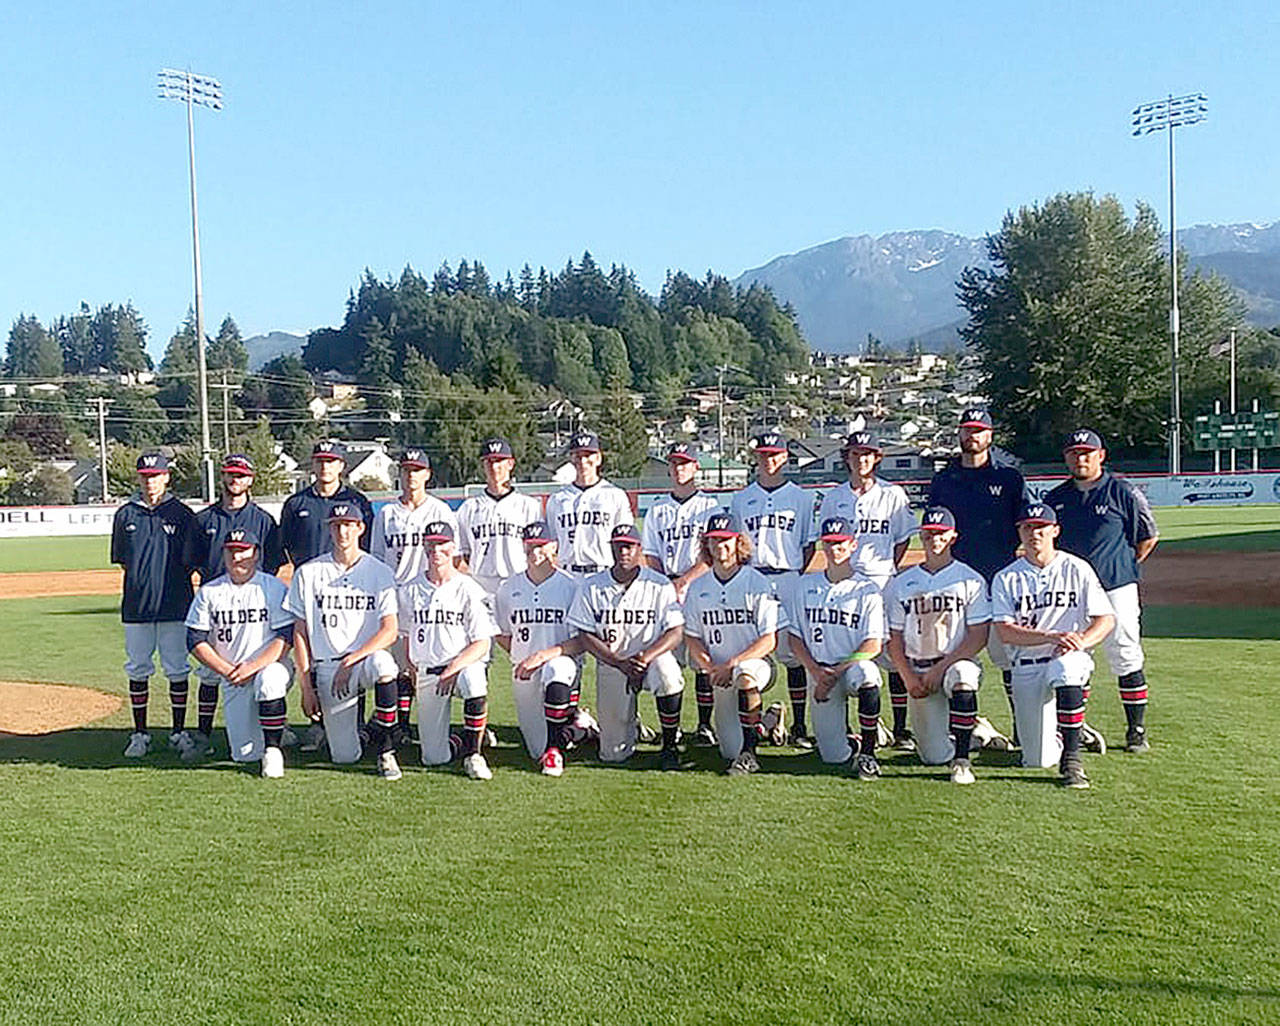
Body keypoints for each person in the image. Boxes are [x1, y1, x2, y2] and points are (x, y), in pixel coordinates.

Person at [1045, 429, 1159, 753]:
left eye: (1087, 453)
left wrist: (1122, 565)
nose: (1081, 458)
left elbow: (1147, 537)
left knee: (1124, 652)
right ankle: (1075, 728)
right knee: (1074, 655)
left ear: (1101, 455)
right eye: (1075, 453)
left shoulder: (1122, 491)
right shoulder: (1056, 499)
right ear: (1066, 457)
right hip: (1072, 592)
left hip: (1116, 586)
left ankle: (1136, 729)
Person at [991, 503, 1115, 789]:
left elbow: (1105, 619)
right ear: (1019, 532)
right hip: (1027, 664)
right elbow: (1005, 633)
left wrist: (1079, 642)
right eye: (1028, 527)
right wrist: (1051, 636)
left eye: (1041, 527)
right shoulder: (1006, 577)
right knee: (1036, 760)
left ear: (1055, 531)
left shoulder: (1076, 568)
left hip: (1068, 655)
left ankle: (1072, 759)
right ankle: (1069, 729)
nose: (1035, 533)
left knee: (1066, 667)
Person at [927, 408, 1028, 735]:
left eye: (979, 430)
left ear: (990, 435)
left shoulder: (1009, 478)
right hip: (955, 581)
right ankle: (958, 731)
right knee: (952, 655)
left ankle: (1021, 727)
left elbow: (1024, 523)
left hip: (1000, 578)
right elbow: (932, 528)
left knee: (1009, 658)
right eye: (967, 430)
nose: (972, 435)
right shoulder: (945, 479)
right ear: (959, 434)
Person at [284, 502, 402, 779]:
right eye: (336, 526)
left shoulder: (379, 571)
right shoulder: (309, 572)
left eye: (349, 525)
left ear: (360, 528)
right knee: (344, 756)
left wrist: (353, 658)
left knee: (385, 665)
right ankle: (365, 731)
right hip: (328, 667)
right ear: (329, 529)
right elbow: (299, 632)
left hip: (362, 659)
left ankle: (386, 750)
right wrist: (306, 687)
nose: (342, 532)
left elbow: (390, 630)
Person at [816, 431, 917, 748]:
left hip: (881, 578)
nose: (861, 459)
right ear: (847, 457)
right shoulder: (834, 498)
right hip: (845, 581)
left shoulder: (893, 495)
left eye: (868, 454)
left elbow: (903, 539)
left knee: (892, 652)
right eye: (856, 454)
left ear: (876, 458)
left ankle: (900, 728)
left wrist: (888, 566)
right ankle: (848, 725)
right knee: (843, 646)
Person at [184, 452, 285, 758]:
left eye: (240, 475)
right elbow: (194, 561)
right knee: (210, 672)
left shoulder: (264, 521)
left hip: (255, 601)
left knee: (262, 669)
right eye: (230, 474)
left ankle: (273, 726)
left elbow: (274, 562)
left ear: (250, 479)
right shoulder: (204, 519)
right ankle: (203, 733)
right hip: (216, 603)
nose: (235, 480)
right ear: (223, 478)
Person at [884, 507, 991, 784]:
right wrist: (908, 678)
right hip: (918, 668)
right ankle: (976, 733)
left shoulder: (970, 579)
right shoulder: (902, 582)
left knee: (964, 675)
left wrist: (941, 668)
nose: (934, 539)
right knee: (932, 756)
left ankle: (963, 761)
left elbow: (979, 636)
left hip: (953, 661)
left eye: (941, 534)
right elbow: (894, 639)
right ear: (922, 535)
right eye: (929, 533)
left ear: (953, 537)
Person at [280, 439, 375, 751]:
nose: (325, 466)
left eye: (331, 461)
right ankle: (318, 723)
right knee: (317, 654)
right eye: (320, 460)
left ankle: (357, 722)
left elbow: (367, 544)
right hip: (313, 588)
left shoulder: (357, 501)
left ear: (341, 466)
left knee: (351, 649)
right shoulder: (296, 504)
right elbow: (290, 546)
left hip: (350, 586)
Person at [567, 524, 685, 769]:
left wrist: (645, 657)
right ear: (610, 548)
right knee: (613, 754)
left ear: (639, 549)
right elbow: (584, 634)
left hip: (650, 659)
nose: (624, 552)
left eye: (629, 546)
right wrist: (618, 662)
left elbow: (676, 632)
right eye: (619, 546)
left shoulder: (659, 584)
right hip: (613, 663)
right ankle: (620, 725)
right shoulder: (591, 586)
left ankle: (670, 744)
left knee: (668, 674)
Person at [728, 430, 818, 748]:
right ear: (757, 459)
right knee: (752, 648)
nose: (769, 460)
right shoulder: (742, 498)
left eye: (775, 455)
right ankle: (757, 718)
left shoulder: (801, 498)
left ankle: (798, 724)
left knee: (793, 651)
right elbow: (736, 546)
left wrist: (793, 574)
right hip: (752, 577)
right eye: (764, 455)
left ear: (785, 458)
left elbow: (809, 545)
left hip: (788, 575)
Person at [184, 528, 294, 777]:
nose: (237, 557)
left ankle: (274, 750)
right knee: (244, 754)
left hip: (269, 665)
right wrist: (228, 671)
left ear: (255, 554)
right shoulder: (210, 591)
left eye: (243, 551)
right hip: (232, 675)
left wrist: (252, 667)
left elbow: (285, 637)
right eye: (232, 551)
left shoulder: (273, 587)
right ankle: (271, 727)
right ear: (224, 555)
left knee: (269, 681)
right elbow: (194, 639)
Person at [111, 451, 198, 759]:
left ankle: (178, 732)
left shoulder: (182, 514)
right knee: (138, 669)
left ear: (166, 477)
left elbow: (191, 561)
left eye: (156, 476)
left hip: (176, 605)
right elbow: (124, 560)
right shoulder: (125, 515)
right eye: (145, 476)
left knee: (177, 670)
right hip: (137, 608)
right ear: (139, 478)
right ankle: (140, 733)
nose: (150, 482)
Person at [784, 518, 886, 780]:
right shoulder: (804, 585)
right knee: (833, 756)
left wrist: (837, 671)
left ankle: (869, 753)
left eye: (840, 543)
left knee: (868, 674)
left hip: (850, 667)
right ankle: (855, 739)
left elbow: (873, 644)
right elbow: (795, 639)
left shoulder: (867, 589)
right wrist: (816, 672)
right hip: (819, 670)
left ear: (853, 545)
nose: (834, 549)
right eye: (829, 543)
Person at [397, 521, 499, 780]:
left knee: (474, 681)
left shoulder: (469, 588)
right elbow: (406, 634)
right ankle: (466, 737)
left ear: (453, 547)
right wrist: (411, 668)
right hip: (428, 671)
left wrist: (454, 668)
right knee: (433, 757)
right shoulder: (410, 589)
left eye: (442, 544)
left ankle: (473, 754)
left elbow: (482, 643)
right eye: (431, 544)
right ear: (423, 546)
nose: (436, 550)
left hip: (461, 665)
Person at [682, 513, 782, 776]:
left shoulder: (756, 582)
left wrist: (731, 664)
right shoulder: (698, 586)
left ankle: (750, 754)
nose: (719, 545)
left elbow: (769, 639)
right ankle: (768, 721)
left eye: (725, 540)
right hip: (719, 671)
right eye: (713, 540)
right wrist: (710, 667)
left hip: (754, 664)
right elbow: (692, 635)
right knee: (728, 750)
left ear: (738, 542)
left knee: (745, 676)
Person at [370, 446, 457, 744]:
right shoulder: (386, 514)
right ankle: (399, 725)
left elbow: (451, 556)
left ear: (428, 475)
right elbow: (378, 559)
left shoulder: (441, 510)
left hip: (428, 594)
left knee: (429, 658)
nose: (411, 475)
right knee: (398, 665)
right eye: (407, 470)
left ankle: (440, 721)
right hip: (396, 595)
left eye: (417, 470)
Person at [641, 442, 718, 746]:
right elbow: (650, 553)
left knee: (701, 657)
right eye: (674, 463)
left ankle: (703, 724)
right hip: (666, 586)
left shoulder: (710, 507)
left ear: (696, 467)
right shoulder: (658, 508)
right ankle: (670, 727)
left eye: (685, 463)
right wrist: (666, 583)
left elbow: (712, 553)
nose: (679, 469)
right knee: (668, 659)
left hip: (699, 583)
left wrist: (685, 580)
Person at [493, 521, 585, 777]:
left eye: (541, 546)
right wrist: (522, 656)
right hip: (525, 670)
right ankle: (577, 728)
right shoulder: (508, 588)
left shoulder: (572, 586)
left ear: (553, 546)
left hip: (562, 662)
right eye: (530, 546)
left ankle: (555, 752)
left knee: (555, 669)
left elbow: (582, 641)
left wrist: (543, 654)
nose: (535, 552)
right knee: (535, 748)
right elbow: (501, 632)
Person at [456, 437, 542, 598]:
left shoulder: (529, 506)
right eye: (489, 461)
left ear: (510, 464)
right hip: (480, 585)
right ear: (483, 465)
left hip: (519, 580)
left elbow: (539, 550)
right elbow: (461, 554)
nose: (495, 467)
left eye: (499, 461)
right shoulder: (469, 508)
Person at [545, 431, 636, 579]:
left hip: (603, 572)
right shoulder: (557, 500)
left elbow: (625, 540)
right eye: (578, 455)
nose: (583, 461)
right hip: (568, 574)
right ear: (572, 459)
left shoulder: (615, 495)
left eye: (588, 455)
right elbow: (551, 545)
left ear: (599, 458)